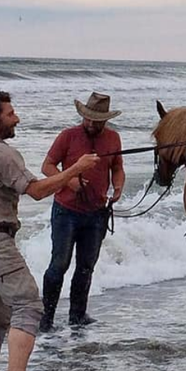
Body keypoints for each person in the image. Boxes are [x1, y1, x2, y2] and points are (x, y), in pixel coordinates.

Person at [0, 89, 99, 371]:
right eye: (10, 114)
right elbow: (36, 190)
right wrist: (75, 170)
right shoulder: (1, 153)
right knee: (29, 307)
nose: (16, 118)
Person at [39, 92, 125, 332]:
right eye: (87, 118)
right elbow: (47, 166)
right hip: (66, 210)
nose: (90, 123)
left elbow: (117, 168)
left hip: (97, 212)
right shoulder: (68, 136)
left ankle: (77, 316)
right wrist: (68, 181)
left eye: (96, 120)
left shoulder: (113, 138)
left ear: (105, 120)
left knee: (86, 266)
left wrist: (118, 187)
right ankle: (46, 318)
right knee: (59, 264)